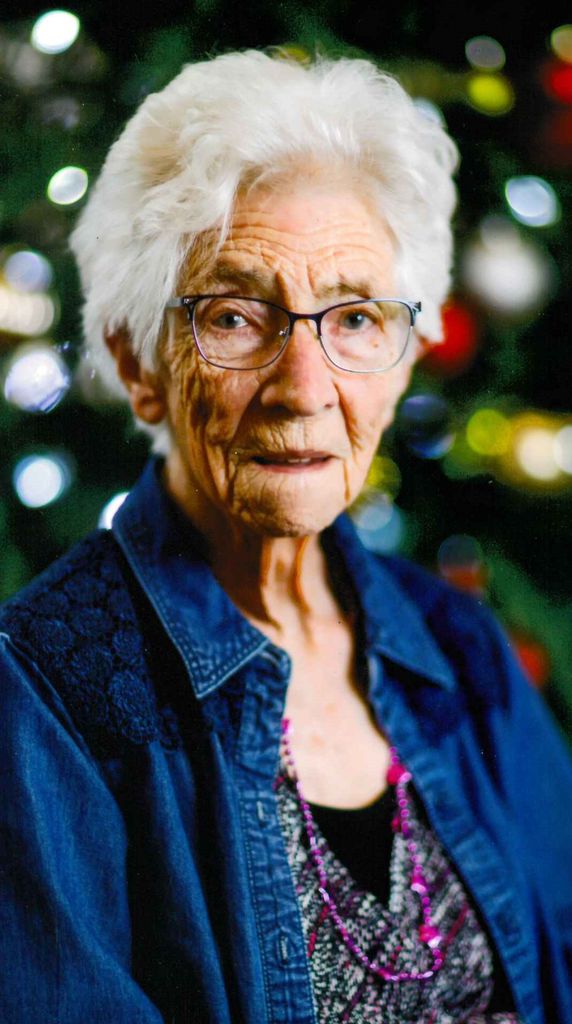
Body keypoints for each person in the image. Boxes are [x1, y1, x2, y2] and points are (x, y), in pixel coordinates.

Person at [0, 49, 570, 1024]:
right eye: (233, 316)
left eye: (354, 318)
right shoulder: (42, 693)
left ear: (402, 362)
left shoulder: (457, 646)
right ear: (137, 363)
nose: (304, 387)